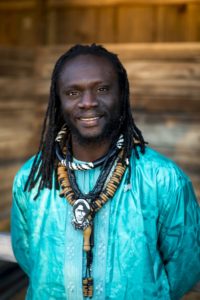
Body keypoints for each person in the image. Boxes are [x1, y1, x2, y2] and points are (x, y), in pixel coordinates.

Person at [11, 44, 200, 300]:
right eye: (73, 92)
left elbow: (184, 265)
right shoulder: (30, 180)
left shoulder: (163, 179)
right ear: (59, 100)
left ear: (121, 94)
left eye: (102, 89)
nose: (88, 102)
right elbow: (27, 255)